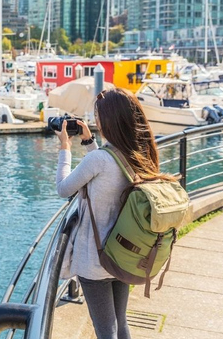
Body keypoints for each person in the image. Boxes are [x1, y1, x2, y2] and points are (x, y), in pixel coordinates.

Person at [54, 88, 170, 339]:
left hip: (95, 261)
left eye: (98, 117)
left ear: (107, 121)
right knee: (120, 324)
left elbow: (64, 189)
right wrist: (89, 143)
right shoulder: (139, 155)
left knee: (106, 331)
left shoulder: (98, 160)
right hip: (123, 254)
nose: (96, 122)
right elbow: (107, 171)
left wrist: (65, 149)